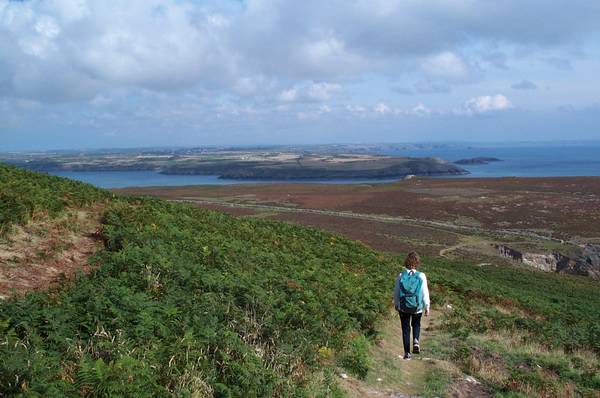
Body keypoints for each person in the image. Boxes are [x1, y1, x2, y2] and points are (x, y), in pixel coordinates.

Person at [393, 251, 430, 360]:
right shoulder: (421, 275)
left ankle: (407, 354)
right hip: (417, 307)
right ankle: (416, 341)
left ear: (406, 262)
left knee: (405, 329)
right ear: (417, 262)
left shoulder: (401, 275)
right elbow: (424, 292)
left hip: (403, 307)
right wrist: (427, 306)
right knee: (416, 324)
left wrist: (396, 304)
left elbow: (396, 292)